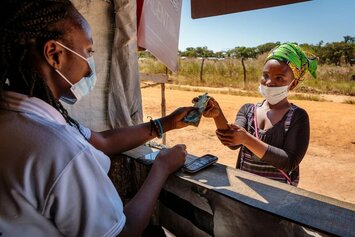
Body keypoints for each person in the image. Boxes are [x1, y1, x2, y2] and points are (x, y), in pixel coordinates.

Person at [0, 1, 194, 236]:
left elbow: (103, 141)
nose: (90, 67)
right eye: (88, 51)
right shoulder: (60, 151)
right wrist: (162, 167)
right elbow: (125, 232)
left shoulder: (16, 117)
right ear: (55, 55)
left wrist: (167, 123)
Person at [203, 43, 317, 186]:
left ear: (292, 84)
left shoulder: (297, 117)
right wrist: (217, 115)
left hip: (278, 196)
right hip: (245, 189)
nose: (269, 82)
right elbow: (232, 142)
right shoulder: (248, 110)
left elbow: (289, 162)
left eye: (279, 78)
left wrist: (247, 139)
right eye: (265, 75)